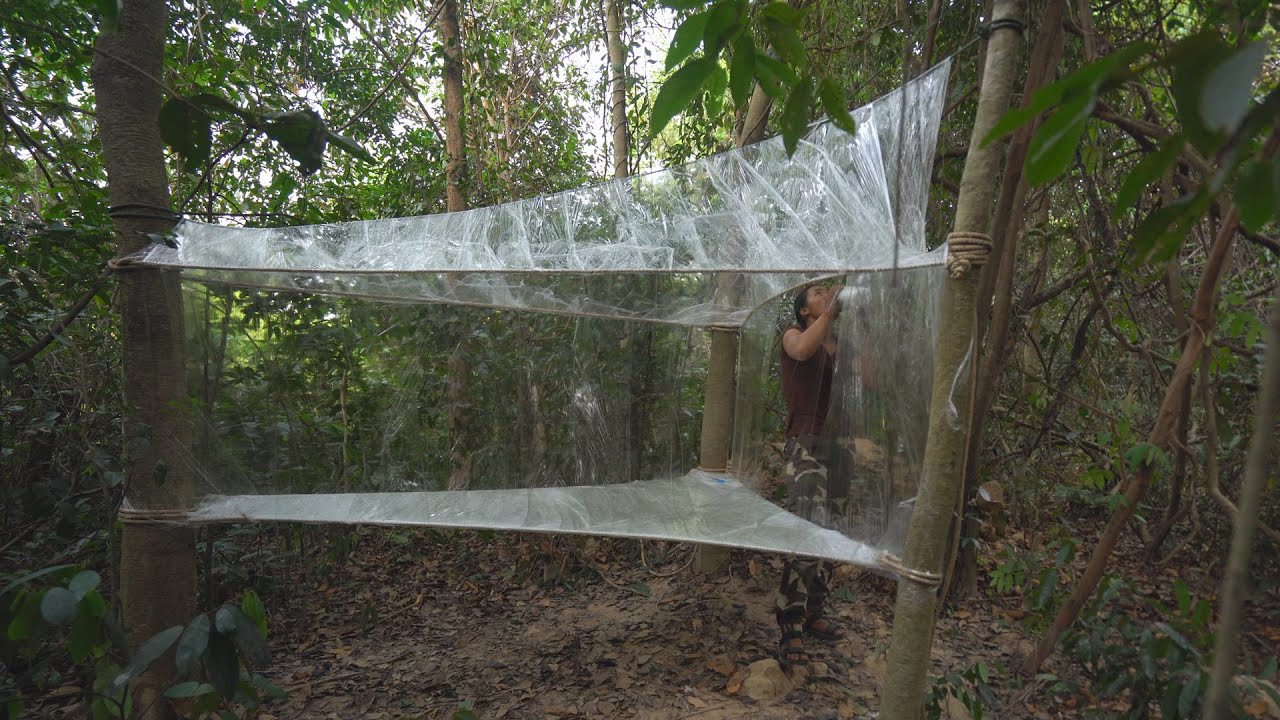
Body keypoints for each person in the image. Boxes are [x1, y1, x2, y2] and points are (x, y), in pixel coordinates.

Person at [775, 282, 850, 665]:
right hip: (805, 443)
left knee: (832, 533)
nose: (827, 295)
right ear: (805, 310)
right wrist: (831, 314)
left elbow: (870, 379)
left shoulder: (840, 344)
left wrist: (861, 326)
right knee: (806, 529)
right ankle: (790, 626)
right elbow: (803, 351)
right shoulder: (794, 335)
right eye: (819, 293)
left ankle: (814, 613)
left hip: (841, 447)